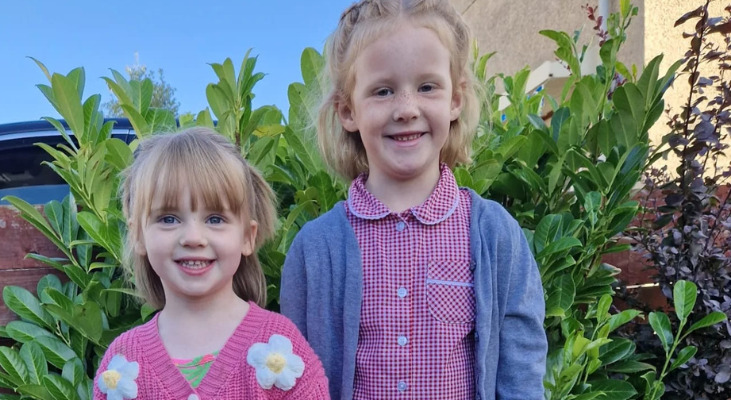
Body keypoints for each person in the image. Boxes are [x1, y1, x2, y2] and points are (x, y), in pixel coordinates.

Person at [280, 0, 547, 399]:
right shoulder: (315, 249)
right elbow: (295, 377)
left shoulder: (495, 235)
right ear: (347, 111)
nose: (406, 109)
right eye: (383, 91)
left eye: (426, 87)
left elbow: (522, 366)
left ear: (455, 99)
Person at [94, 127, 330, 400]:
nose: (193, 238)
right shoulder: (121, 365)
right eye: (168, 219)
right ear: (138, 235)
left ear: (247, 236)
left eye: (215, 219)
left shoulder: (281, 350)